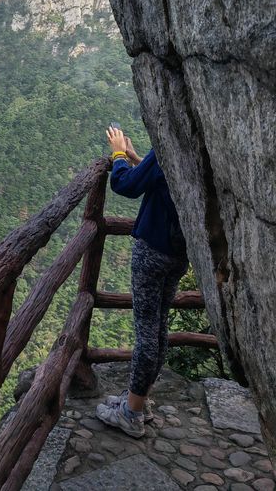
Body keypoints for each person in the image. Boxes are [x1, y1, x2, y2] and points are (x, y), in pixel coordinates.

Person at [95, 126, 188, 438]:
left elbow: (126, 185)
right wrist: (140, 158)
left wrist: (119, 154)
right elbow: (162, 184)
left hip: (152, 252)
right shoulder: (193, 151)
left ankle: (131, 412)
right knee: (159, 328)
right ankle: (139, 398)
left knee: (147, 332)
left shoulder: (173, 146)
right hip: (178, 254)